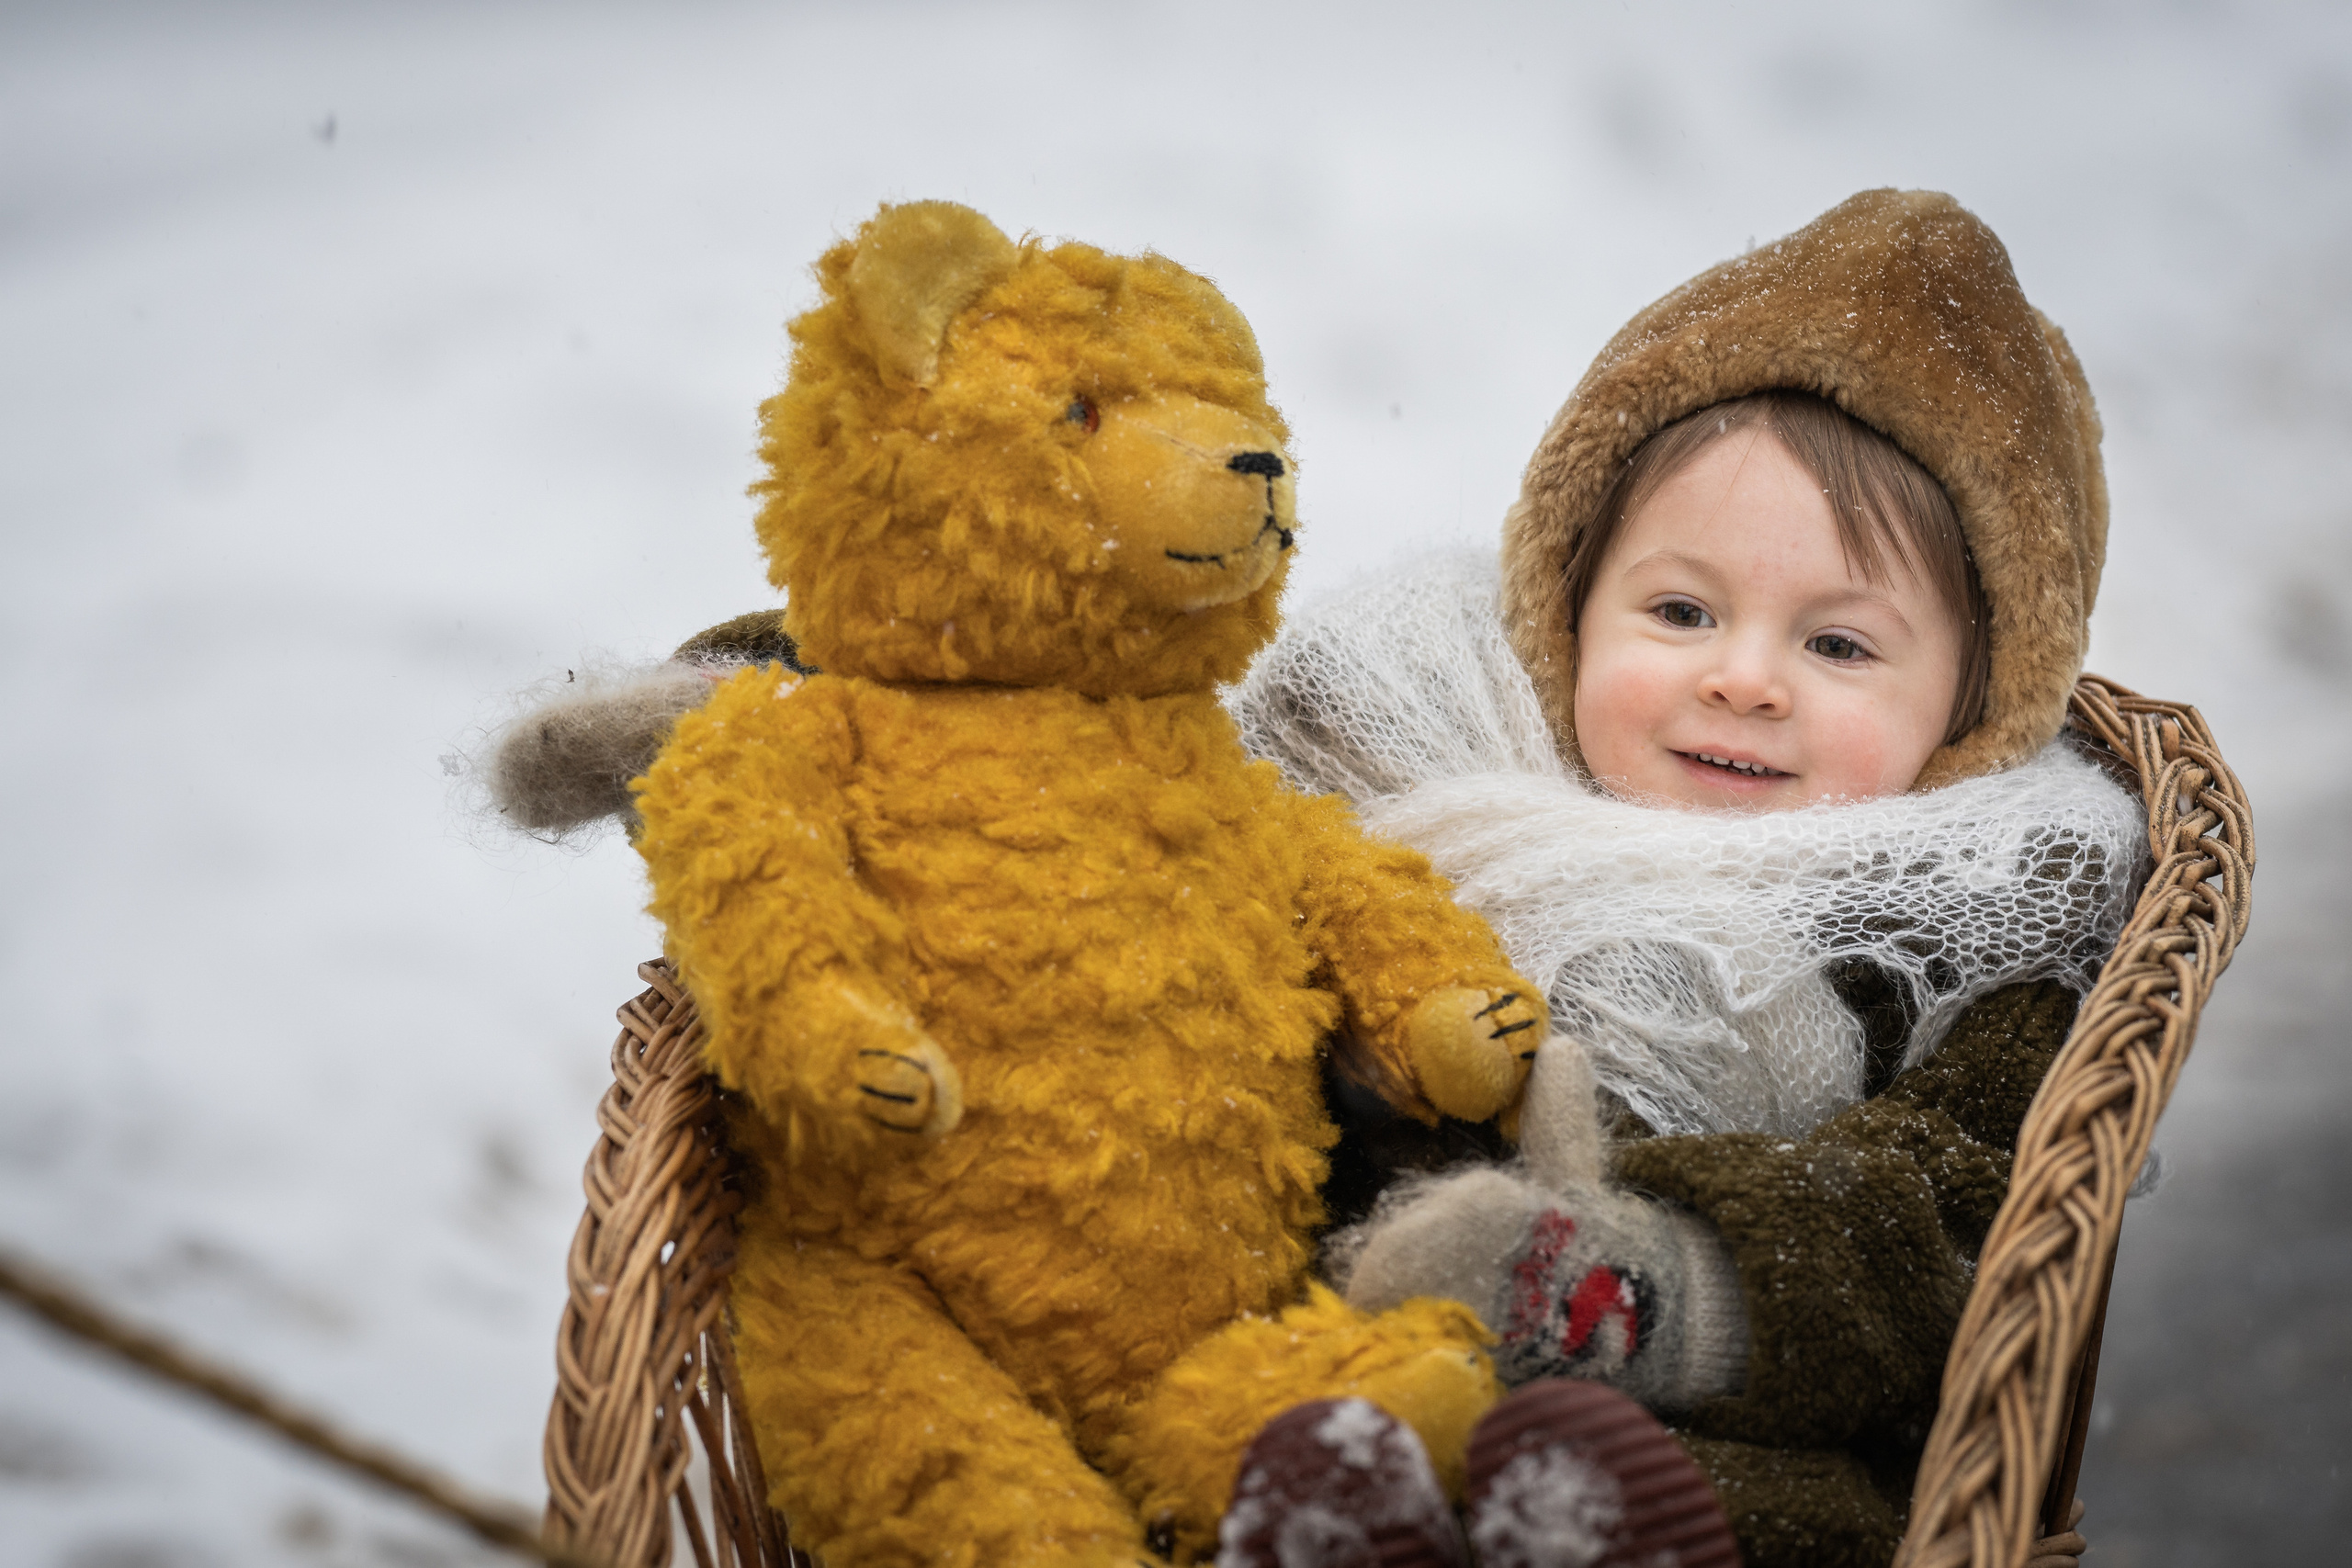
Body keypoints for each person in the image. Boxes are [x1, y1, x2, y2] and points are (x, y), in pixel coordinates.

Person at [1216, 189, 2138, 1568]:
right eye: (1681, 612)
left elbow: (1951, 1231)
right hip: (1364, 1348)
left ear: (1968, 710)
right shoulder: (1436, 807)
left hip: (1742, 1435)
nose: (1743, 678)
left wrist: (1665, 1290)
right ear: (1566, 611)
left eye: (1839, 647)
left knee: (1800, 1517)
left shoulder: (1966, 926)